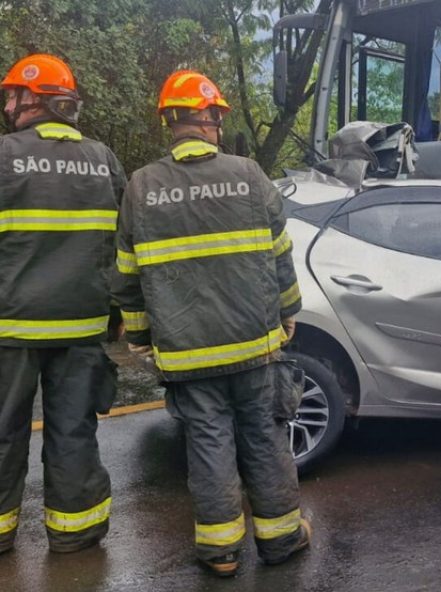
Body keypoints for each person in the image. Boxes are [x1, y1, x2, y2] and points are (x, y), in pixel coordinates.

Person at [112, 70, 309, 576]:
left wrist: (139, 338)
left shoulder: (141, 186)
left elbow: (129, 277)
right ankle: (281, 539)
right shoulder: (250, 175)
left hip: (187, 352)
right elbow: (280, 258)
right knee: (263, 437)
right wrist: (288, 314)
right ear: (215, 119)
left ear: (169, 121)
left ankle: (220, 553)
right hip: (254, 346)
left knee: (208, 443)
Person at [0, 54, 125, 554]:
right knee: (74, 431)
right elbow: (122, 247)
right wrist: (117, 315)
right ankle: (76, 533)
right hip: (82, 325)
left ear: (33, 99)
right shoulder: (104, 160)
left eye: (12, 95)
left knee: (4, 432)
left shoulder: (4, 157)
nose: (8, 105)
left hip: (11, 328)